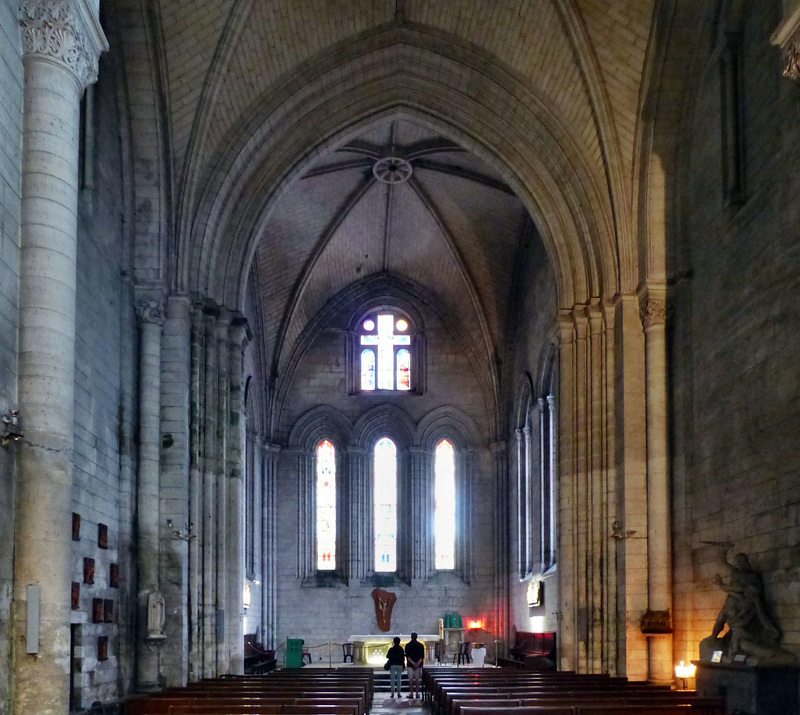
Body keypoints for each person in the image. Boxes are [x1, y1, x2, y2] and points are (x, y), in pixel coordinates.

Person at [404, 632, 425, 699]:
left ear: (411, 637)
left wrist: (413, 663)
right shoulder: (420, 645)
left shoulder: (407, 645)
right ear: (416, 637)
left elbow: (407, 656)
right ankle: (417, 693)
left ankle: (411, 693)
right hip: (418, 665)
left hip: (410, 665)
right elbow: (422, 656)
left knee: (411, 680)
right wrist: (417, 663)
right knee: (417, 680)